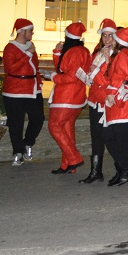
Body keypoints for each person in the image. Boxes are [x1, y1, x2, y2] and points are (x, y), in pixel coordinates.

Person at [47, 22, 91, 175]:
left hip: (66, 97)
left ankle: (74, 159)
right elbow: (64, 69)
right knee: (67, 129)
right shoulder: (83, 51)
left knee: (54, 126)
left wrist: (54, 77)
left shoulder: (74, 52)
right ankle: (67, 164)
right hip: (76, 96)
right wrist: (57, 53)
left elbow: (69, 76)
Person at [2, 18, 46, 166]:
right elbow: (11, 68)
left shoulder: (30, 46)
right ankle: (18, 152)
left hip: (33, 89)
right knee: (16, 123)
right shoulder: (10, 48)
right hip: (14, 91)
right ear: (22, 31)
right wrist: (27, 54)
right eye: (30, 31)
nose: (32, 33)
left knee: (38, 118)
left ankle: (27, 143)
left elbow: (34, 65)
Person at [101, 27, 128, 186]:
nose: (110, 40)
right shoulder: (121, 54)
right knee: (111, 136)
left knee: (119, 138)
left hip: (123, 99)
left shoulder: (123, 54)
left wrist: (111, 92)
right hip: (120, 97)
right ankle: (123, 169)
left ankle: (124, 171)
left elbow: (119, 75)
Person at [80, 19, 118, 183]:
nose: (107, 39)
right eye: (104, 35)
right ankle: (96, 172)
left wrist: (98, 71)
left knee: (108, 137)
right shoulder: (98, 53)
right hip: (94, 99)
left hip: (105, 101)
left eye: (110, 35)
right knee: (96, 136)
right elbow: (92, 75)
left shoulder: (117, 55)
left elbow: (110, 80)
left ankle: (124, 168)